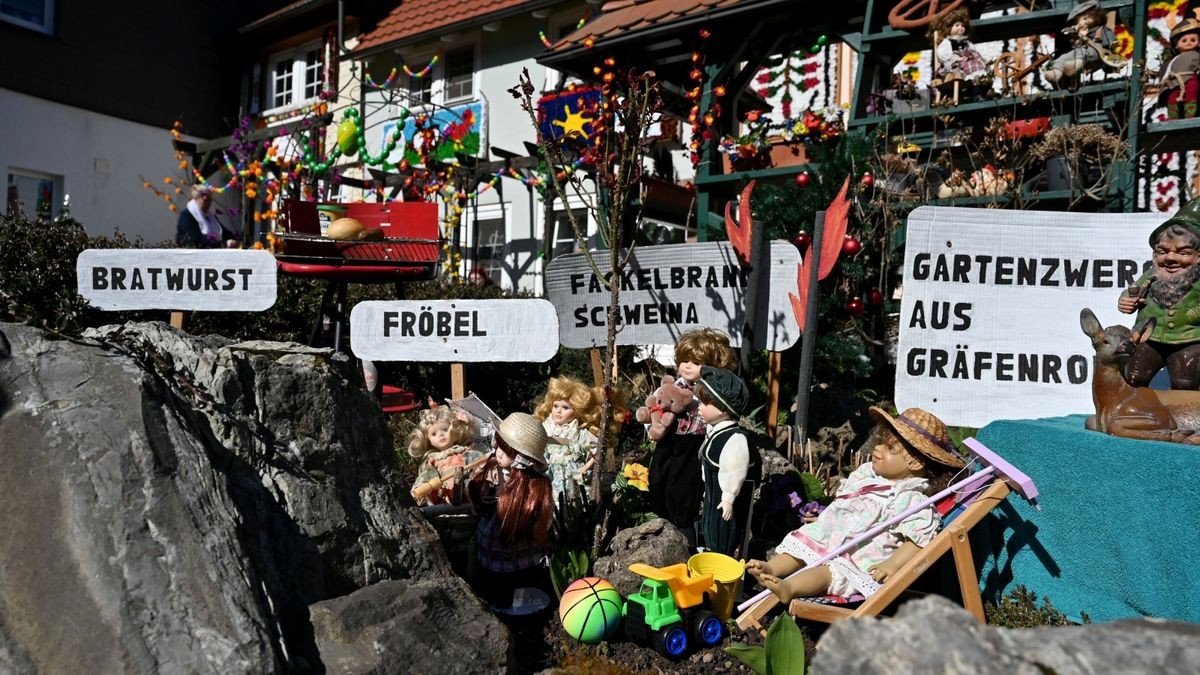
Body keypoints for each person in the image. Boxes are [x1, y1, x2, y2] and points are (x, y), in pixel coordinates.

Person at [746, 407, 965, 603]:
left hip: (861, 552)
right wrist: (826, 517)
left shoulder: (911, 499)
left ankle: (790, 587)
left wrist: (892, 565)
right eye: (880, 442)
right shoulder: (869, 475)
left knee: (831, 572)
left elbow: (917, 541)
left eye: (889, 448)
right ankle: (771, 568)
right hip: (834, 533)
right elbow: (847, 502)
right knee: (806, 541)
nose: (877, 449)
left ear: (915, 463)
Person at [647, 328, 737, 547]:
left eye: (696, 362)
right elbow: (657, 407)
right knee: (658, 477)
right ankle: (661, 520)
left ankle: (685, 534)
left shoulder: (709, 391)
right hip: (669, 439)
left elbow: (718, 416)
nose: (687, 366)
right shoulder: (674, 386)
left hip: (693, 442)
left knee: (684, 488)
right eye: (684, 360)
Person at [467, 412, 555, 610]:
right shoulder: (494, 469)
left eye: (506, 450)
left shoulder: (533, 485)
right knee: (492, 575)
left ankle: (516, 599)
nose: (498, 453)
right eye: (497, 445)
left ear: (522, 458)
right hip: (493, 530)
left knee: (518, 576)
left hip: (515, 531)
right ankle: (496, 595)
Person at [1118, 197, 1200, 389]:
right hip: (1150, 339)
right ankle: (1136, 414)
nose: (1170, 258)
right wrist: (1126, 300)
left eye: (1183, 253)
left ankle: (1180, 416)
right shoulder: (1152, 275)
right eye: (1162, 251)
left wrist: (1194, 313)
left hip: (1189, 341)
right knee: (1134, 376)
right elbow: (1131, 293)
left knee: (1184, 381)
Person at [695, 366, 761, 557]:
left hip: (723, 499)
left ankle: (721, 559)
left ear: (723, 408)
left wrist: (728, 498)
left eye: (705, 403)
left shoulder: (734, 438)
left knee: (721, 531)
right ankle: (713, 554)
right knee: (709, 528)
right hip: (713, 495)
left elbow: (734, 469)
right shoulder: (717, 432)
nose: (699, 407)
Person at [533, 376, 601, 501]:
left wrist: (585, 468)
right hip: (550, 477)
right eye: (555, 406)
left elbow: (598, 450)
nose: (559, 411)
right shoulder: (546, 428)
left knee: (573, 504)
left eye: (565, 408)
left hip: (572, 479)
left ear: (577, 411)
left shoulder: (578, 433)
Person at [407, 406, 484, 506]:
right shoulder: (433, 460)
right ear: (427, 439)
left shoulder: (464, 452)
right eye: (434, 434)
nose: (440, 435)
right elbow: (425, 476)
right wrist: (422, 487)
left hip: (466, 492)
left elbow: (479, 461)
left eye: (445, 429)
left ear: (456, 429)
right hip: (444, 494)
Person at [1042, 0, 1117, 87]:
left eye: (1085, 18)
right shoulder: (1080, 32)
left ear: (1096, 16)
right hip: (1080, 51)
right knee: (1065, 56)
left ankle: (1075, 66)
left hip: (1095, 50)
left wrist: (1112, 44)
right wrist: (1074, 32)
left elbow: (1110, 37)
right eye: (1080, 20)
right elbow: (1067, 34)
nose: (1082, 22)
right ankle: (1055, 72)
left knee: (1084, 54)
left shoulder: (1100, 30)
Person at [931, 9, 990, 98]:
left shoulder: (966, 41)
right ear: (949, 28)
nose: (960, 27)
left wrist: (982, 59)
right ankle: (974, 92)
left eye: (962, 25)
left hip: (969, 61)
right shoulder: (947, 42)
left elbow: (974, 52)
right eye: (957, 25)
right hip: (955, 64)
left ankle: (979, 90)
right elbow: (942, 54)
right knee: (969, 68)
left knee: (978, 66)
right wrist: (955, 59)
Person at [1158, 18, 1200, 119]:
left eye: (1193, 40)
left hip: (1191, 79)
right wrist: (1164, 81)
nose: (1188, 42)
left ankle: (1190, 115)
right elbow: (1168, 70)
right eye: (1184, 40)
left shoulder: (1197, 55)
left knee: (1191, 95)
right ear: (1176, 45)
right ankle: (1173, 117)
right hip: (1174, 82)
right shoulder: (1174, 59)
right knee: (1172, 98)